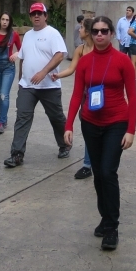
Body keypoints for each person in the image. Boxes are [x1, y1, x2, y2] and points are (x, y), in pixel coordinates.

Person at [64, 16, 136, 251]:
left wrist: (131, 130)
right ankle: (105, 218)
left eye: (104, 31)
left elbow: (133, 97)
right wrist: (68, 125)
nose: (99, 35)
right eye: (95, 31)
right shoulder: (85, 62)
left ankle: (112, 227)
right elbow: (77, 95)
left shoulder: (123, 61)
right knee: (97, 174)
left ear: (112, 34)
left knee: (108, 172)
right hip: (90, 122)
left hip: (116, 122)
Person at [4, 2, 70, 168]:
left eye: (40, 13)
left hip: (49, 87)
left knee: (56, 117)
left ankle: (64, 144)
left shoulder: (52, 34)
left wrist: (43, 72)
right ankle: (17, 154)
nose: (37, 16)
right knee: (22, 118)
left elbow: (60, 55)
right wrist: (21, 80)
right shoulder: (28, 35)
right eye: (34, 14)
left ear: (45, 16)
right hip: (27, 87)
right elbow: (23, 58)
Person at [53, 18, 95, 179]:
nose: (79, 29)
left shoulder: (99, 49)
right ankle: (87, 164)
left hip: (99, 94)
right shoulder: (80, 49)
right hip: (85, 94)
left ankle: (93, 162)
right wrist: (57, 75)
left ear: (88, 31)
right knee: (87, 128)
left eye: (82, 27)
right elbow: (71, 69)